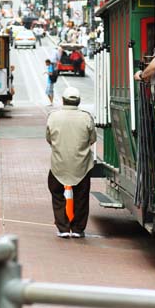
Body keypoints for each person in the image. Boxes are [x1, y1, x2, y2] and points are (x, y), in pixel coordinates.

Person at [46, 85, 97, 237]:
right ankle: (78, 229)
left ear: (63, 100)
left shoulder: (53, 116)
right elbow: (92, 139)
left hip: (58, 164)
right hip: (81, 165)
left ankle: (62, 227)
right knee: (81, 196)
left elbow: (49, 139)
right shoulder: (86, 117)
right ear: (79, 101)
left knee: (56, 192)